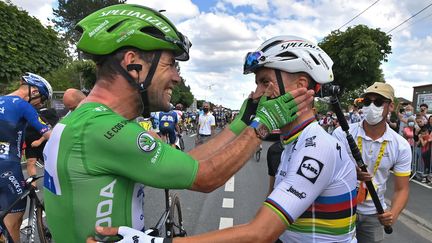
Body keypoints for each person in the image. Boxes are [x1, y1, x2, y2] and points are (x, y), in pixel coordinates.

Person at [43, 5, 313, 242]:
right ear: (132, 63)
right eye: (171, 65)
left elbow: (191, 163)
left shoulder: (88, 121)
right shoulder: (105, 131)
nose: (177, 78)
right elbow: (205, 177)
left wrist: (241, 123)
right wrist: (262, 125)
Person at [89, 35, 358, 243]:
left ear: (300, 87)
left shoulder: (317, 146)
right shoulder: (290, 143)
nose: (255, 94)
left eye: (264, 82)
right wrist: (241, 126)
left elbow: (260, 232)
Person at [333, 82, 411, 243]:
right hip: (341, 209)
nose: (371, 106)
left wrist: (392, 214)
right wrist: (350, 171)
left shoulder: (401, 145)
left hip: (374, 214)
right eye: (367, 102)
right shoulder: (341, 134)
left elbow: (402, 189)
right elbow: (328, 171)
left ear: (390, 106)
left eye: (378, 102)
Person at [0, 72, 52, 242]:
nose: (40, 104)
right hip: (7, 167)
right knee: (14, 219)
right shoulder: (23, 105)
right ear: (34, 91)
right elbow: (49, 133)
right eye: (42, 98)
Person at [24, 105, 59, 188]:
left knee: (50, 164)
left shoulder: (48, 112)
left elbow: (51, 129)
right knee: (30, 162)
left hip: (45, 143)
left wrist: (40, 141)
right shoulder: (26, 110)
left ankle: (56, 182)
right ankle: (33, 185)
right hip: (30, 143)